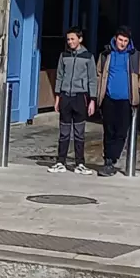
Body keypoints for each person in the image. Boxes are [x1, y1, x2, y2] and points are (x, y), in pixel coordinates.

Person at [97, 29, 140, 175]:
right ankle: (108, 160)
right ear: (115, 39)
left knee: (121, 132)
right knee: (108, 130)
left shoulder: (135, 56)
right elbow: (99, 73)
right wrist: (98, 91)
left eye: (125, 41)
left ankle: (112, 159)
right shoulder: (105, 55)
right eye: (120, 40)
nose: (122, 43)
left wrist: (139, 89)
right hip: (108, 99)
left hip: (126, 100)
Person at [51, 27, 97, 173]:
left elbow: (92, 79)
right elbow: (59, 76)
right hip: (65, 96)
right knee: (64, 132)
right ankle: (60, 161)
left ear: (80, 39)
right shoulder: (64, 56)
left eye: (73, 39)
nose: (70, 42)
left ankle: (80, 163)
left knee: (79, 132)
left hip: (80, 97)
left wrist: (92, 100)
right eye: (68, 39)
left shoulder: (88, 57)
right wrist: (57, 97)